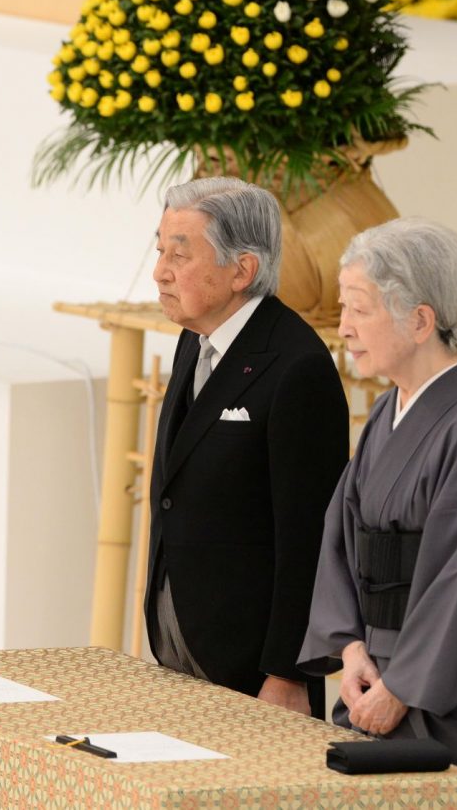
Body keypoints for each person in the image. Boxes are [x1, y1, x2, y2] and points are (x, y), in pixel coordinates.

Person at [298, 217, 457, 807]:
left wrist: (402, 688)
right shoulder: (388, 411)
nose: (345, 328)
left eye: (359, 310)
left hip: (452, 692)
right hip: (373, 675)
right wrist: (352, 652)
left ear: (420, 320)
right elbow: (343, 535)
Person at [146, 175, 350, 718]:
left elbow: (311, 537)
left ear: (242, 270)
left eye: (180, 254)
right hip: (179, 638)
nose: (160, 271)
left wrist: (288, 672)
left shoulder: (297, 368)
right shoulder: (195, 338)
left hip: (253, 667)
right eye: (160, 248)